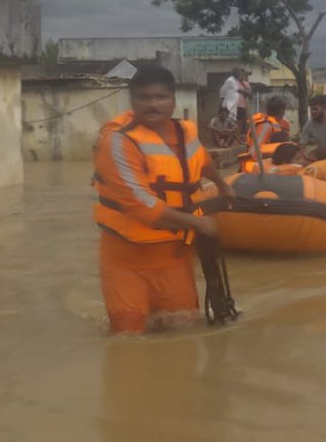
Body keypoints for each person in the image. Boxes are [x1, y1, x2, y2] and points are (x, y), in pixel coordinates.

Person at [94, 66, 234, 334]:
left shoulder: (187, 132)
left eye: (160, 97)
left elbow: (202, 162)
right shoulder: (117, 142)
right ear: (132, 101)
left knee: (184, 333)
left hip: (174, 257)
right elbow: (140, 206)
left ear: (173, 100)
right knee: (128, 340)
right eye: (143, 98)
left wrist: (221, 184)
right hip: (126, 262)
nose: (152, 104)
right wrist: (198, 224)